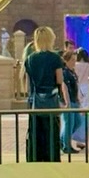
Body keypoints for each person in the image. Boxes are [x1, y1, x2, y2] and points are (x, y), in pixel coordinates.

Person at [23, 27, 65, 160]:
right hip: (51, 100)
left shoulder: (30, 59)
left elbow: (28, 83)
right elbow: (59, 79)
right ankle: (51, 160)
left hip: (35, 102)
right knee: (51, 134)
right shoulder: (55, 58)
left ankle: (36, 160)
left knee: (36, 134)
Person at [59, 47, 81, 154]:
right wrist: (67, 102)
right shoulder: (64, 72)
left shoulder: (72, 72)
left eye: (75, 60)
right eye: (72, 60)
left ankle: (61, 139)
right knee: (69, 123)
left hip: (74, 100)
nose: (74, 62)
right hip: (68, 101)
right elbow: (65, 87)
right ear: (66, 61)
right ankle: (66, 145)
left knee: (77, 122)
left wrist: (78, 99)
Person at [73, 47, 89, 148]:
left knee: (78, 111)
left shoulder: (75, 65)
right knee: (86, 112)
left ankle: (76, 136)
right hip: (86, 87)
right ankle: (83, 139)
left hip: (77, 87)